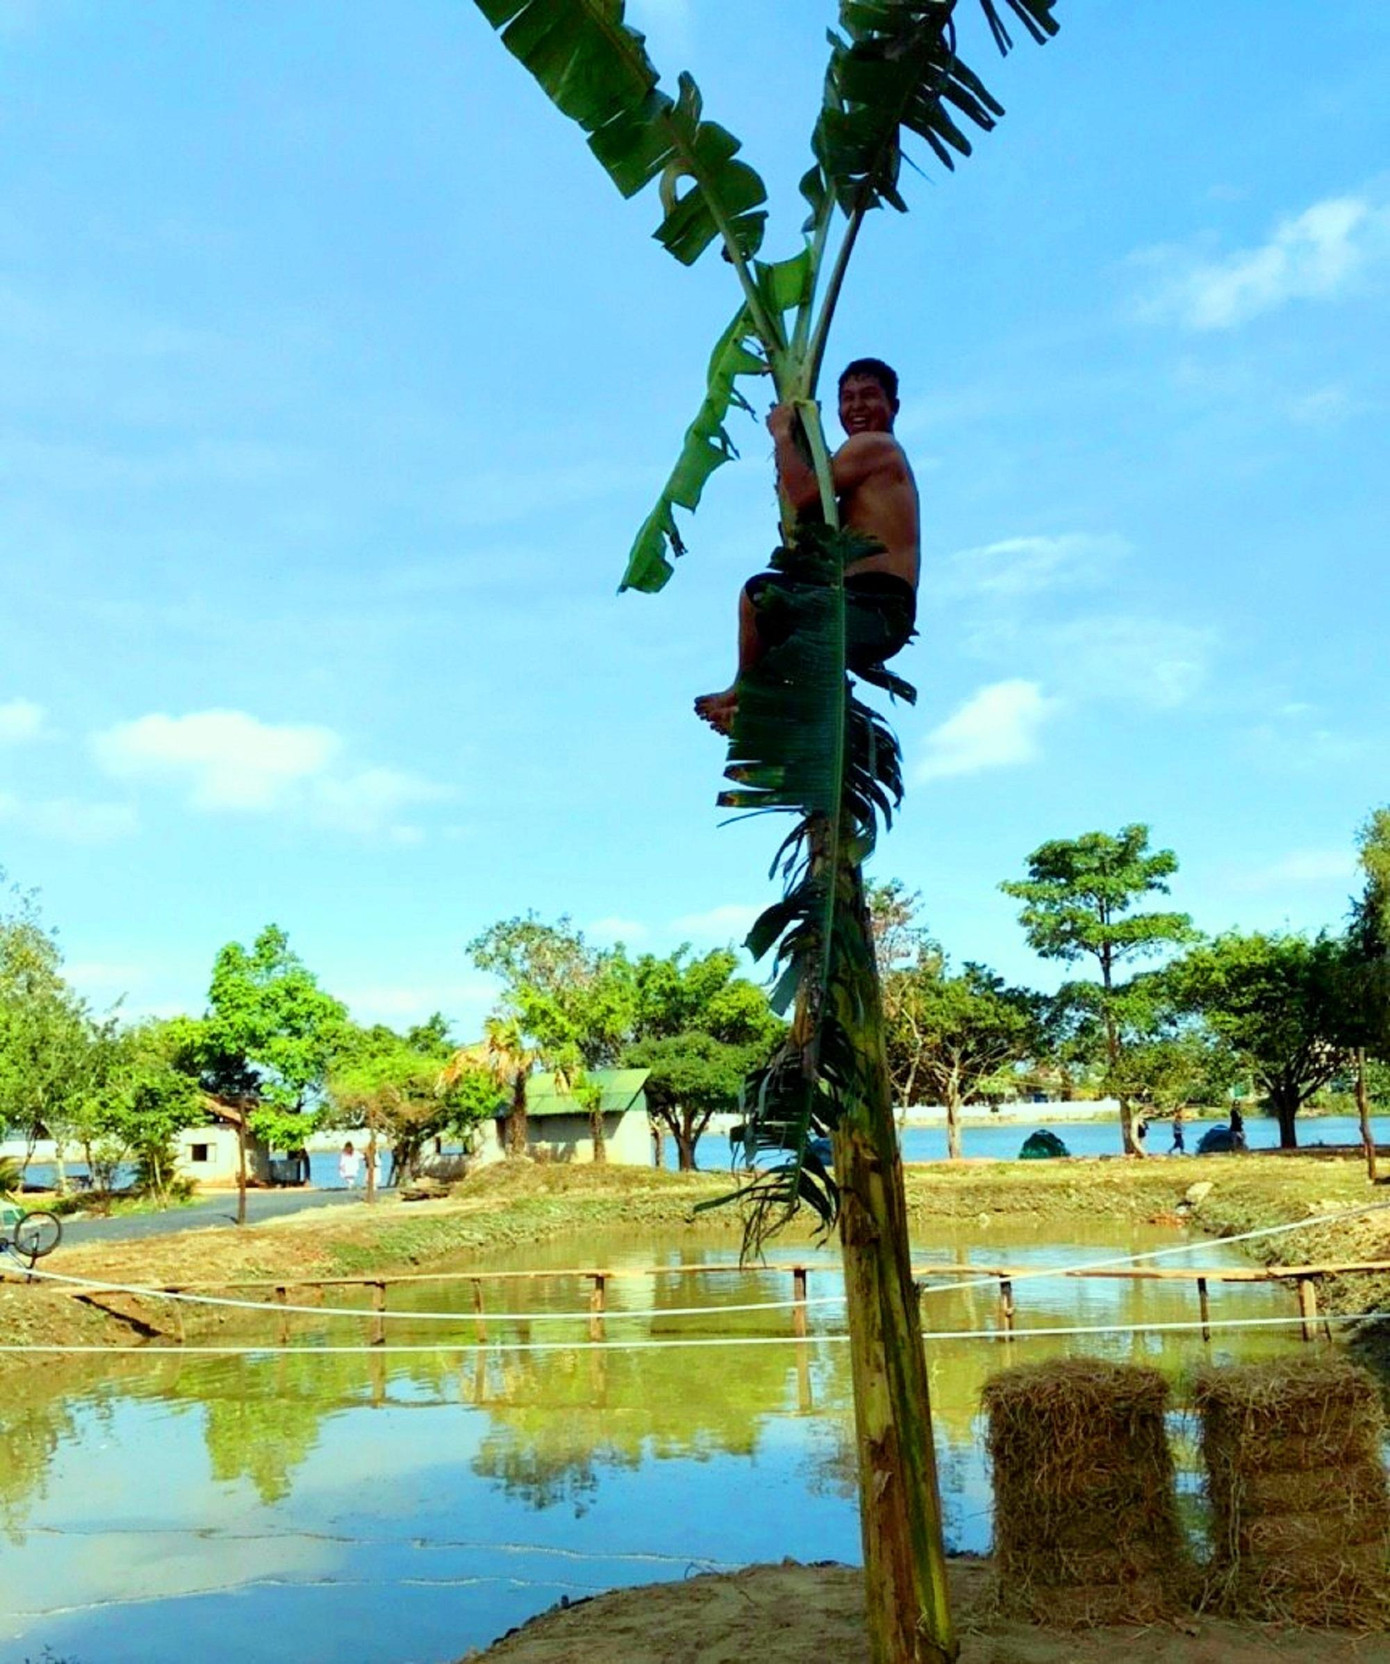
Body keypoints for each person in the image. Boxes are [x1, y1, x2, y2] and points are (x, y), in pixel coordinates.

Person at [695, 358, 919, 735]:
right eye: (847, 398)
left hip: (874, 607)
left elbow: (803, 496)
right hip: (872, 612)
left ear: (893, 406)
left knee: (759, 595)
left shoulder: (874, 446)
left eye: (869, 396)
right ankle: (761, 712)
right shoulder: (866, 457)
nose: (857, 407)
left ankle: (748, 692)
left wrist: (783, 433)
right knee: (787, 627)